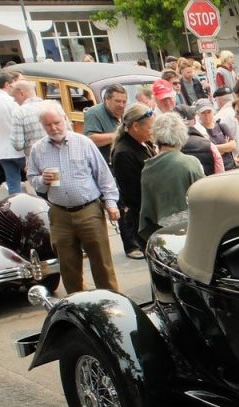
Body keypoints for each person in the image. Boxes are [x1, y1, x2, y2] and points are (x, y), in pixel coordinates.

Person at [26, 101, 121, 293]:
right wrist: (42, 180)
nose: (53, 128)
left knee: (101, 261)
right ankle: (76, 304)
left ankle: (112, 302)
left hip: (88, 209)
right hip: (59, 213)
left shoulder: (83, 142)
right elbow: (32, 178)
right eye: (48, 125)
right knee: (68, 264)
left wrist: (111, 203)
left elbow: (103, 175)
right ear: (42, 126)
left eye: (56, 123)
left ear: (65, 120)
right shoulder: (38, 149)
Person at [139, 111, 203, 241]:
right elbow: (204, 197)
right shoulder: (189, 162)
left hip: (163, 232)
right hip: (191, 229)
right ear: (182, 135)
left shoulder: (148, 168)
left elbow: (148, 210)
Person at [110, 103, 156, 258]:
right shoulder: (124, 152)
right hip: (142, 215)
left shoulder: (145, 143)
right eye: (150, 127)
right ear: (135, 126)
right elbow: (132, 194)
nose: (153, 131)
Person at [83, 83, 127, 161]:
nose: (121, 105)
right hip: (105, 165)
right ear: (106, 99)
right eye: (117, 101)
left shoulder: (127, 112)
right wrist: (119, 135)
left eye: (124, 102)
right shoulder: (94, 113)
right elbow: (90, 139)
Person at [194, 99, 239, 170]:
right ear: (198, 114)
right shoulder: (200, 132)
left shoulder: (222, 126)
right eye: (203, 113)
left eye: (209, 112)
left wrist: (214, 148)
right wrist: (225, 147)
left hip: (231, 166)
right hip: (215, 169)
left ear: (213, 111)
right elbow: (206, 152)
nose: (207, 115)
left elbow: (233, 146)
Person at [9, 80, 44, 161]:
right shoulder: (54, 106)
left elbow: (18, 145)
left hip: (35, 160)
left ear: (22, 93)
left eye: (14, 97)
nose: (14, 100)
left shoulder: (19, 113)